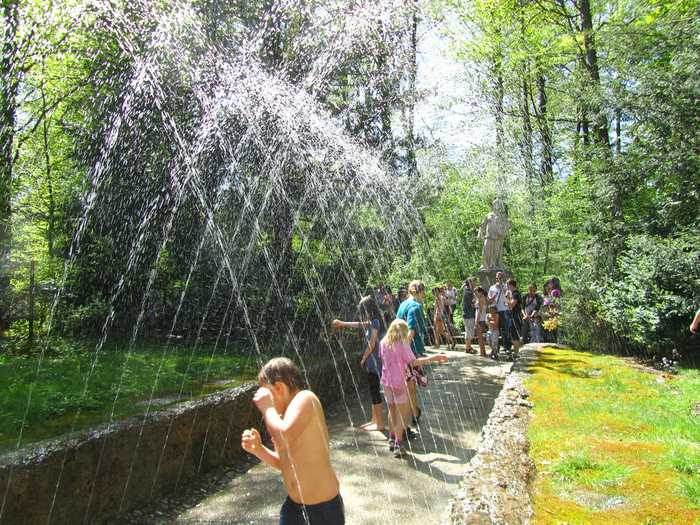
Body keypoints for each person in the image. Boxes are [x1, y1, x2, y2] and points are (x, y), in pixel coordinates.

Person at [241, 358, 344, 525]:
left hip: (323, 510)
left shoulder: (306, 398)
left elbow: (283, 437)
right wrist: (259, 450)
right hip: (294, 508)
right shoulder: (283, 418)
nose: (267, 403)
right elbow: (285, 463)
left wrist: (267, 408)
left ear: (278, 388)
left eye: (268, 395)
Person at [379, 318, 447, 457]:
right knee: (400, 414)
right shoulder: (403, 345)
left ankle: (391, 439)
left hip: (386, 383)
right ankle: (398, 444)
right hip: (399, 383)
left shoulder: (383, 343)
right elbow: (414, 362)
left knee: (391, 411)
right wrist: (433, 358)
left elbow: (382, 359)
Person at [332, 296, 385, 431]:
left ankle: (380, 423)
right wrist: (342, 323)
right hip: (372, 363)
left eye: (364, 312)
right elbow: (358, 324)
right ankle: (374, 420)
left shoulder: (375, 322)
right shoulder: (373, 321)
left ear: (369, 310)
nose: (363, 315)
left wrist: (364, 358)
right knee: (373, 392)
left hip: (374, 363)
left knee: (375, 392)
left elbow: (372, 343)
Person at [396, 280, 428, 428]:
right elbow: (411, 331)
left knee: (409, 385)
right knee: (410, 386)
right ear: (421, 292)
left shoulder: (402, 305)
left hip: (400, 347)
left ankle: (415, 413)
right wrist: (407, 355)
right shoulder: (416, 307)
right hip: (412, 351)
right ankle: (406, 423)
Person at [477, 199, 510, 271]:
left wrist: (503, 232)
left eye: (498, 205)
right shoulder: (488, 215)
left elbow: (507, 226)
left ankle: (494, 266)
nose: (496, 206)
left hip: (498, 237)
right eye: (495, 204)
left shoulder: (502, 217)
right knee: (486, 250)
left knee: (496, 252)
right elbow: (483, 225)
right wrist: (479, 233)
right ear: (493, 205)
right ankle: (485, 265)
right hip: (489, 236)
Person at [488, 271, 509, 353]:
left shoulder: (506, 286)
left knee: (505, 329)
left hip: (504, 310)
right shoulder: (492, 287)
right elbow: (489, 298)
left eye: (500, 278)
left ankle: (506, 346)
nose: (498, 280)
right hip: (496, 311)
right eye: (497, 278)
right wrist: (492, 298)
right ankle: (495, 347)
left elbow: (508, 295)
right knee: (496, 329)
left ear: (503, 278)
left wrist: (501, 288)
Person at [504, 278, 522, 359]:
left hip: (516, 316)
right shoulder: (514, 294)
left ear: (511, 286)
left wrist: (507, 298)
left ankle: (516, 353)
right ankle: (518, 352)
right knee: (515, 334)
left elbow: (512, 305)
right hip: (514, 315)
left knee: (514, 335)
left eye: (507, 285)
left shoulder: (516, 294)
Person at [461, 277, 477, 353]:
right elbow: (472, 305)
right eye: (474, 282)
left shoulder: (466, 292)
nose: (475, 283)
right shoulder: (469, 293)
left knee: (469, 331)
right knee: (469, 331)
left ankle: (469, 346)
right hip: (469, 314)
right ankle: (467, 348)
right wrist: (477, 303)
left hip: (466, 314)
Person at [474, 285, 488, 356]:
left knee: (480, 337)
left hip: (480, 319)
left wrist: (477, 321)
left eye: (477, 293)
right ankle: (483, 350)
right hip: (483, 318)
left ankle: (482, 351)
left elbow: (480, 311)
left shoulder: (481, 300)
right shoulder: (484, 299)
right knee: (480, 336)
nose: (476, 295)